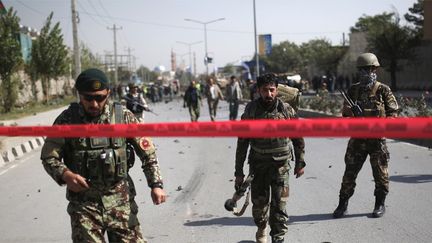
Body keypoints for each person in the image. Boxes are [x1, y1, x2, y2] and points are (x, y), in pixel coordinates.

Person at [40, 68, 166, 242]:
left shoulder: (123, 117)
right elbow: (49, 156)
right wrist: (65, 174)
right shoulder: (67, 120)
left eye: (99, 97)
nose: (94, 104)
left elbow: (148, 153)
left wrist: (156, 184)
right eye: (88, 98)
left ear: (108, 93)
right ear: (79, 95)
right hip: (84, 205)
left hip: (121, 201)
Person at [234, 73, 306, 243]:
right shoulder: (251, 111)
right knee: (259, 208)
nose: (269, 94)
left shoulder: (286, 110)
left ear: (277, 90)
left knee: (279, 208)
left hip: (281, 166)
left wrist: (300, 162)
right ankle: (261, 227)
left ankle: (278, 238)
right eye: (265, 90)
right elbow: (242, 142)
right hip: (258, 167)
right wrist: (238, 172)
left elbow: (298, 137)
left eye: (272, 90)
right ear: (259, 90)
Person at [333, 53, 399, 219]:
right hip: (357, 140)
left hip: (377, 140)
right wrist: (351, 113)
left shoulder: (383, 90)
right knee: (349, 173)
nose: (365, 73)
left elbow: (393, 114)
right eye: (362, 69)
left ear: (374, 69)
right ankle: (342, 204)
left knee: (380, 174)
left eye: (368, 69)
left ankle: (379, 204)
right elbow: (345, 113)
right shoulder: (353, 90)